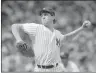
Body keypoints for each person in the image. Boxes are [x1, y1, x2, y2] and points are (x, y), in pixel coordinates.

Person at [11, 7, 92, 72]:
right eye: (41, 15)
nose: (43, 16)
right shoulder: (36, 28)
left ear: (53, 16)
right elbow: (15, 26)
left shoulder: (57, 33)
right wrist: (19, 40)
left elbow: (67, 38)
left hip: (56, 69)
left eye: (46, 14)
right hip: (40, 69)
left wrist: (81, 28)